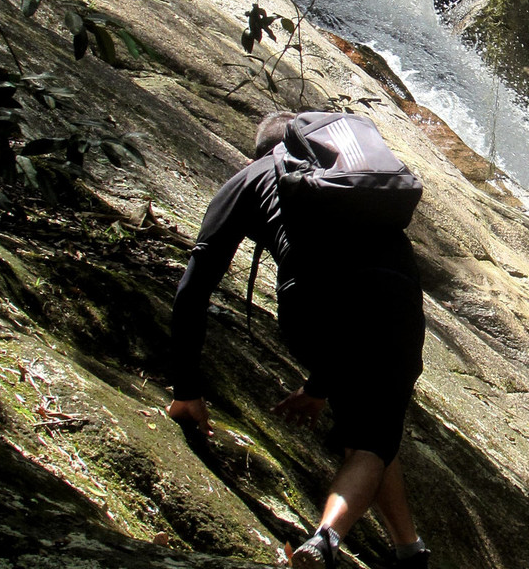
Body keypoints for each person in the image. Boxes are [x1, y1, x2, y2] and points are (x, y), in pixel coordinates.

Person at [167, 111, 429, 569]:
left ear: (261, 150)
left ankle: (362, 545)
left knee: (367, 434)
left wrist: (186, 389)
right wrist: (320, 387)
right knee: (371, 439)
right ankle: (383, 548)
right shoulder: (355, 175)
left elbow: (196, 285)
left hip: (313, 303)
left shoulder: (252, 178)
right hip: (396, 300)